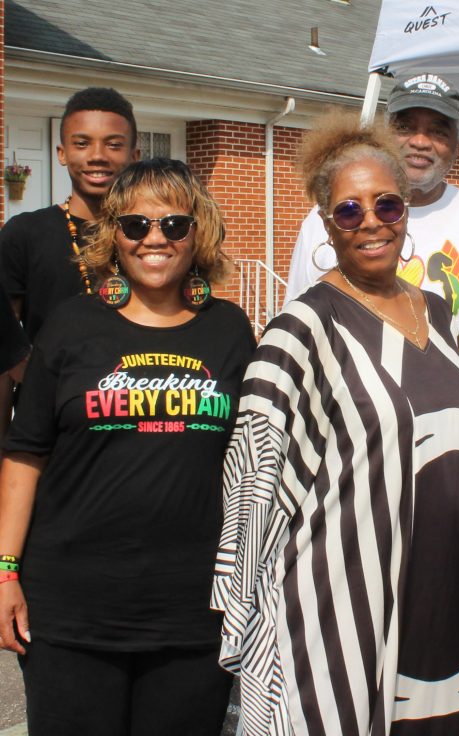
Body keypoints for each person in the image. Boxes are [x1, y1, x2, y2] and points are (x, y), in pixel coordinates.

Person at [213, 111, 459, 735]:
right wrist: (244, 614)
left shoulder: (440, 316)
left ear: (406, 210)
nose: (370, 223)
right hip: (336, 602)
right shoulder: (301, 328)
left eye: (385, 206)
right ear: (326, 226)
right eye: (348, 211)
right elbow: (251, 473)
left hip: (439, 590)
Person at [0, 157, 256, 734]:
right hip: (70, 608)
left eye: (173, 224)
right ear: (114, 233)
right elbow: (25, 452)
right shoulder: (70, 325)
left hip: (194, 610)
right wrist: (4, 573)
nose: (154, 239)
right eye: (136, 225)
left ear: (200, 231)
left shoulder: (230, 330)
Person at [285, 73, 459, 380]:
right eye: (404, 127)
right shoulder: (331, 220)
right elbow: (298, 339)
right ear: (382, 135)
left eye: (438, 131)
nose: (419, 141)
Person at [0, 87, 139, 435]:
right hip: (53, 427)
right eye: (81, 143)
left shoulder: (154, 238)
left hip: (140, 420)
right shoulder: (26, 233)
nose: (97, 156)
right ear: (61, 153)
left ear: (134, 154)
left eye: (113, 144)